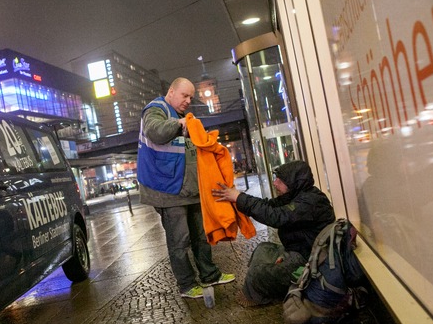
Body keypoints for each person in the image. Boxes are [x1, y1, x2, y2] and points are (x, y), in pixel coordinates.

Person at [137, 77, 235, 299]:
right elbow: (155, 132)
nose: (189, 100)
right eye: (185, 95)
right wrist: (180, 125)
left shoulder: (183, 116)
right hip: (167, 190)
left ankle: (210, 275)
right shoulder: (155, 110)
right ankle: (187, 285)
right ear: (171, 92)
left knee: (201, 235)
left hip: (188, 188)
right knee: (179, 241)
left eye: (191, 97)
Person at [212, 160, 335, 306]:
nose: (275, 183)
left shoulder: (311, 202)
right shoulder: (296, 195)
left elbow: (275, 216)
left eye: (280, 180)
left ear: (294, 182)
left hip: (309, 259)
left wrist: (239, 197)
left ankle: (261, 292)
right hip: (298, 249)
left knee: (258, 274)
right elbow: (268, 206)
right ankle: (260, 287)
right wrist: (239, 199)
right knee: (263, 248)